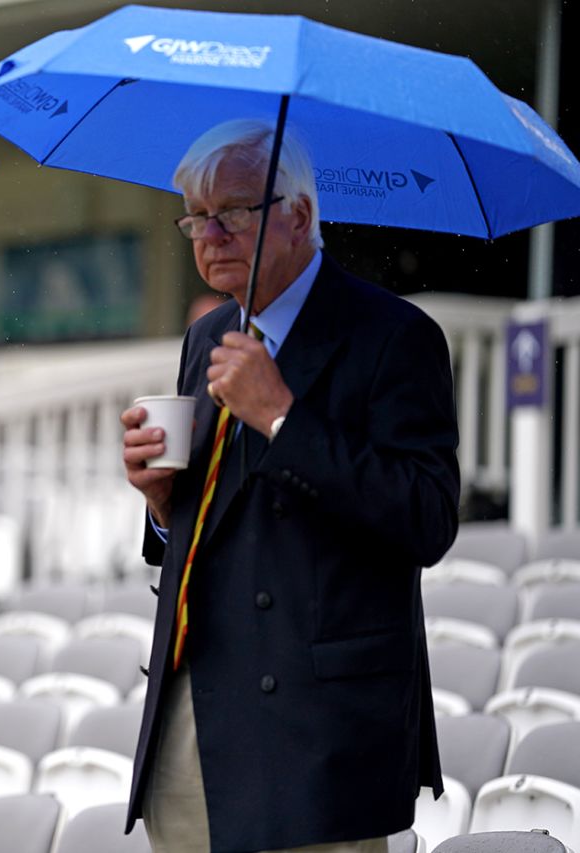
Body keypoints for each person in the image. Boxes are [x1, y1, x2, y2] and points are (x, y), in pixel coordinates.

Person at [120, 120, 459, 852]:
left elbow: (427, 518)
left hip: (319, 729)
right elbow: (220, 521)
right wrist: (159, 503)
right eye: (194, 217)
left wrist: (280, 414)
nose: (208, 234)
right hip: (196, 703)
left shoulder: (394, 336)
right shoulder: (205, 339)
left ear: (299, 215)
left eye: (231, 212)